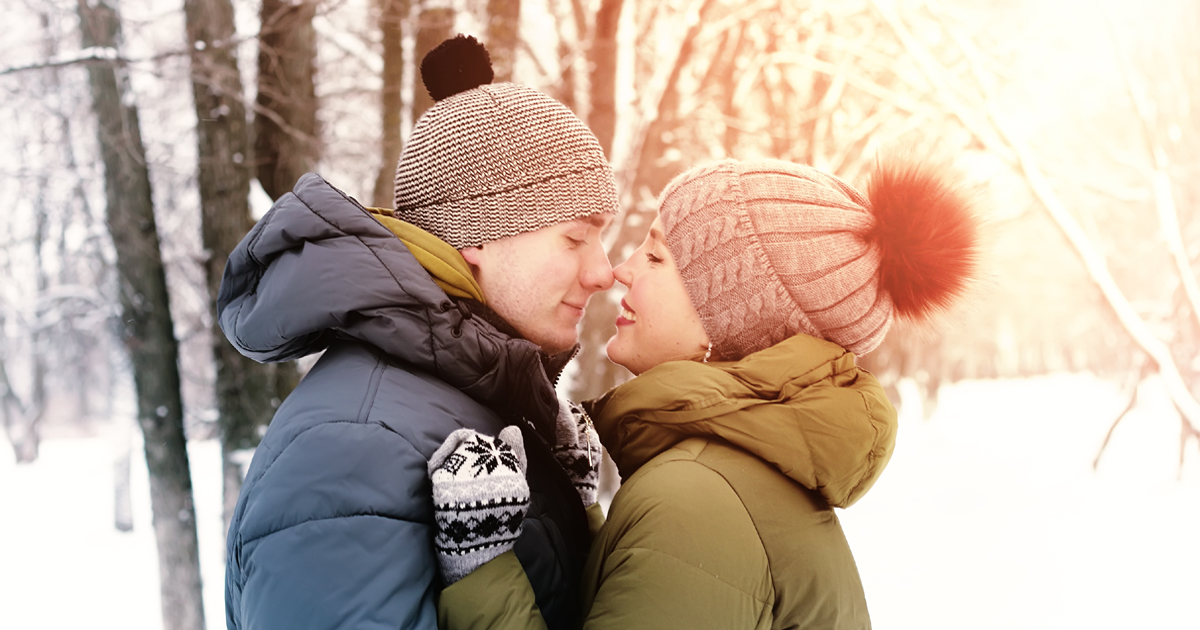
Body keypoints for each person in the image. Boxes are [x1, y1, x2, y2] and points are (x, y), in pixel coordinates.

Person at [431, 157, 980, 629]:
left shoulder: (696, 500)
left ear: (728, 324)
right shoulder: (732, 478)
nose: (619, 270)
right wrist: (583, 515)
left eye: (655, 257)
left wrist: (482, 567)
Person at [218, 35, 614, 630]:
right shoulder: (353, 447)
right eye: (575, 238)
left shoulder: (466, 399)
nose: (604, 271)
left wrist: (572, 509)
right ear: (477, 233)